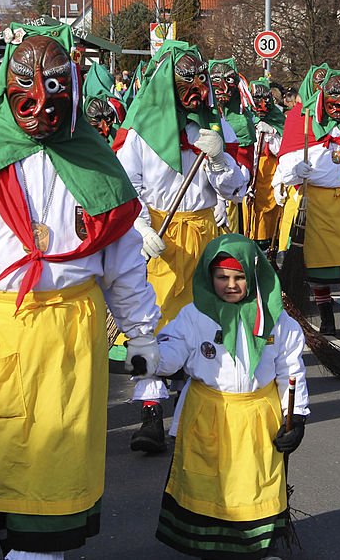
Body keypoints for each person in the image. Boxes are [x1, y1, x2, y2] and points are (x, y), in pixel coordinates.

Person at [0, 24, 161, 558]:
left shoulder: (96, 160)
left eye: (56, 92)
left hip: (68, 338)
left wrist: (141, 331)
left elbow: (122, 258)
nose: (40, 106)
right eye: (27, 91)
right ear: (4, 87)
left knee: (51, 483)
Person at [126, 234, 308, 559]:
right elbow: (173, 351)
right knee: (208, 484)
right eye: (222, 276)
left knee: (256, 483)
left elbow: (291, 371)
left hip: (257, 416)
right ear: (210, 276)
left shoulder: (278, 322)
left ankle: (260, 547)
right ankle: (211, 547)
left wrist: (297, 417)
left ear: (254, 277)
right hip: (207, 413)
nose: (230, 285)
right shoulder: (194, 316)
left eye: (239, 277)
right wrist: (149, 358)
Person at [116, 42, 248, 453]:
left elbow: (238, 188)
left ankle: (198, 408)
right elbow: (127, 185)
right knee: (152, 323)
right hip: (160, 236)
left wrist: (219, 159)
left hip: (204, 234)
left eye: (198, 78)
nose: (194, 86)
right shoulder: (139, 133)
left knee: (206, 323)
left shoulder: (215, 127)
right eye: (184, 78)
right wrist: (140, 229)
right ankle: (152, 413)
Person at [274, 66, 340, 336]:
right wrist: (292, 171)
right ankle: (325, 317)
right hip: (316, 201)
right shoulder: (301, 120)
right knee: (316, 262)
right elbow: (285, 160)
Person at [209, 58, 256, 232]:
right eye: (216, 80)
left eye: (229, 80)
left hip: (229, 195)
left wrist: (225, 195)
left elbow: (244, 161)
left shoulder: (241, 122)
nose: (223, 87)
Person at [244, 78, 286, 251]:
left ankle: (271, 245)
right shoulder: (245, 121)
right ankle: (252, 241)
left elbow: (283, 148)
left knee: (272, 208)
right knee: (252, 209)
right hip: (253, 170)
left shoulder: (278, 120)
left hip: (272, 172)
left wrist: (272, 133)